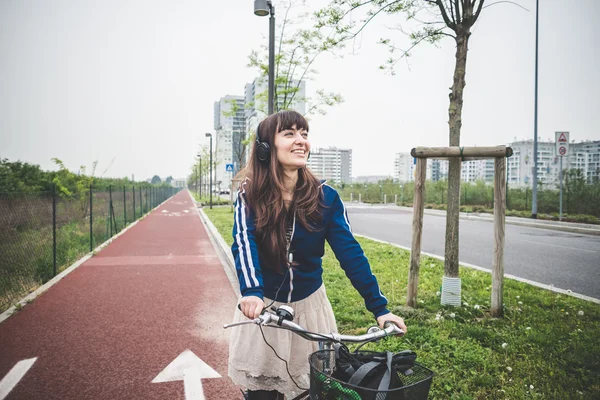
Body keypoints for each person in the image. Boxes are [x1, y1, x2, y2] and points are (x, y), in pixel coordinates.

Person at [228, 110, 407, 400]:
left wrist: (380, 309)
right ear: (266, 147)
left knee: (312, 390)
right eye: (289, 134)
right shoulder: (250, 194)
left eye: (304, 134)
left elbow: (351, 254)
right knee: (261, 393)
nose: (301, 141)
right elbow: (243, 242)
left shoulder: (326, 196)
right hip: (264, 308)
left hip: (311, 309)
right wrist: (251, 292)